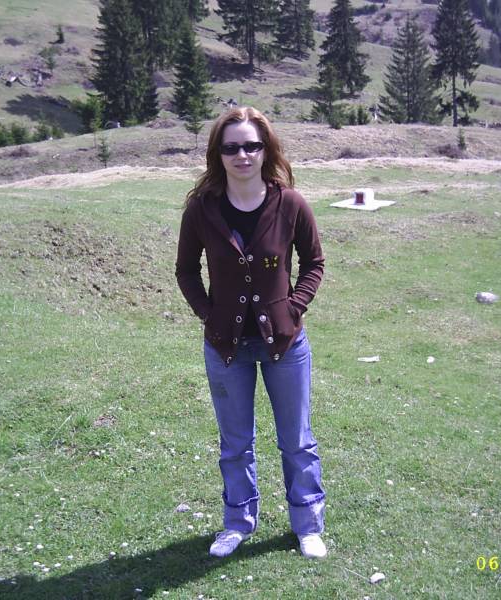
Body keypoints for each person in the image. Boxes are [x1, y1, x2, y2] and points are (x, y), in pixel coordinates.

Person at [175, 107, 327, 559]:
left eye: (251, 146)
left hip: (286, 344)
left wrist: (293, 308)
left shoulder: (291, 204)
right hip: (226, 347)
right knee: (235, 444)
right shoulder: (202, 209)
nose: (242, 155)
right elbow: (186, 271)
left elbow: (314, 264)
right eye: (231, 147)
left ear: (266, 150)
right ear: (217, 154)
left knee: (297, 441)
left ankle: (308, 524)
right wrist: (209, 314)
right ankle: (238, 523)